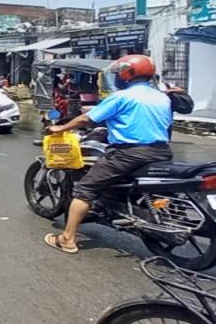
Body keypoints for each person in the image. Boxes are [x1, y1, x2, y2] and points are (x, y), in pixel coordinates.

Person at [42, 55, 173, 254]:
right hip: (162, 151)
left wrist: (61, 128)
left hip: (129, 153)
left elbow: (87, 118)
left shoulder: (122, 97)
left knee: (85, 190)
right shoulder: (162, 97)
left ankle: (67, 239)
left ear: (126, 73)